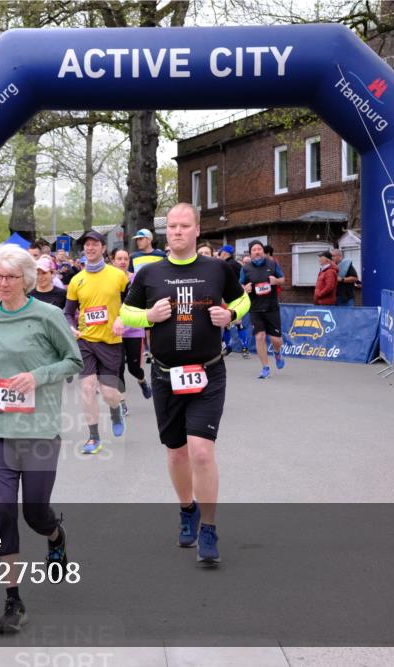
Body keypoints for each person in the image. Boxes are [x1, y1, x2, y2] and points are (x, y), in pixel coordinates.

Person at [120, 203, 250, 566]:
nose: (176, 232)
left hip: (208, 372)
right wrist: (147, 315)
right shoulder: (149, 274)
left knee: (202, 451)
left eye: (183, 226)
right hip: (165, 374)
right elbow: (125, 313)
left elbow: (242, 299)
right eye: (171, 226)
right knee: (176, 451)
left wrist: (231, 315)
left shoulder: (217, 269)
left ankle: (208, 527)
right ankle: (187, 508)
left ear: (197, 230)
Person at [0, 244, 83, 634]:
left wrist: (38, 376)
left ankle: (55, 534)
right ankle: (12, 600)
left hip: (39, 428)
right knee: (2, 514)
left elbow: (74, 361)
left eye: (10, 277)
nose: (2, 283)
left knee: (34, 512)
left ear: (26, 279)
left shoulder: (47, 314)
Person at [64, 230, 128, 455]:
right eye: (86, 245)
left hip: (111, 341)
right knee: (88, 387)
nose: (90, 248)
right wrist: (71, 327)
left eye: (94, 244)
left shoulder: (118, 276)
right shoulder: (76, 280)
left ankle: (116, 408)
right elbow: (68, 312)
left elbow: (131, 302)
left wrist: (122, 317)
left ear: (103, 248)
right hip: (86, 340)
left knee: (109, 393)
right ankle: (93, 437)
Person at [111, 248, 152, 414]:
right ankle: (122, 402)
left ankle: (142, 381)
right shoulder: (108, 279)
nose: (122, 261)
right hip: (116, 330)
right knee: (118, 367)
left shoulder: (136, 279)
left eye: (125, 258)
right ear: (112, 261)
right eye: (119, 258)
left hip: (134, 329)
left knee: (134, 368)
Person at [239, 240, 285, 379]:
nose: (257, 251)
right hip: (255, 308)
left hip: (272, 308)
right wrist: (244, 289)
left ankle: (277, 353)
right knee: (260, 337)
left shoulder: (272, 263)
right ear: (250, 253)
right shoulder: (245, 268)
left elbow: (282, 279)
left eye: (259, 249)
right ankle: (265, 367)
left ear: (263, 251)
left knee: (276, 340)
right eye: (254, 249)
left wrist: (276, 281)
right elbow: (239, 285)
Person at [217, 245, 250, 359]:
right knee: (229, 323)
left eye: (220, 253)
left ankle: (240, 348)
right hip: (234, 296)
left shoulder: (226, 265)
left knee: (235, 321)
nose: (219, 255)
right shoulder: (237, 264)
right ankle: (231, 347)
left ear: (225, 253)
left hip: (231, 297)